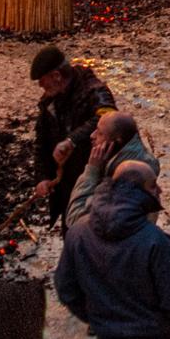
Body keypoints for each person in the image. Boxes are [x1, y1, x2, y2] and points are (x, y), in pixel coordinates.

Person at [55, 159, 170, 339]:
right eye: (153, 185)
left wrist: (99, 321)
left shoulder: (78, 233)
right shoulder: (156, 241)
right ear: (137, 190)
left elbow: (66, 289)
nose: (160, 190)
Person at [32, 45, 118, 223]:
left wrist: (72, 141)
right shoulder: (49, 102)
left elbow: (108, 119)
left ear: (56, 76)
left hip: (95, 181)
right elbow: (42, 142)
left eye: (43, 82)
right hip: (66, 187)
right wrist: (43, 178)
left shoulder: (94, 91)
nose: (42, 88)